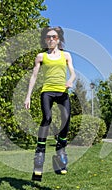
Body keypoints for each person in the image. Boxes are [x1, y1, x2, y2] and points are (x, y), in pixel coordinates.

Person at [24, 26, 76, 181]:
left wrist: (70, 80)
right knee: (47, 118)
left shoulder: (66, 55)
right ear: (45, 39)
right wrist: (28, 96)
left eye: (54, 37)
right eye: (48, 37)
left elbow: (72, 71)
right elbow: (33, 77)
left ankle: (60, 153)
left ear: (58, 39)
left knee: (66, 119)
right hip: (47, 91)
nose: (51, 39)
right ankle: (39, 153)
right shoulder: (41, 56)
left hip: (63, 92)